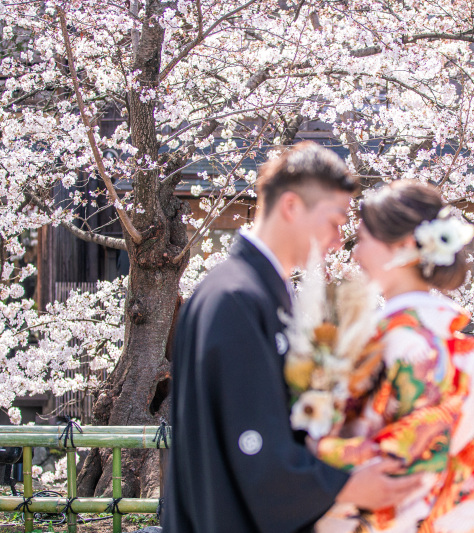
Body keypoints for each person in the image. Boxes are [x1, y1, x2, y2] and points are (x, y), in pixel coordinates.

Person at [163, 142, 423, 533]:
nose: (338, 241)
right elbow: (252, 440)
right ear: (291, 207)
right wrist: (347, 485)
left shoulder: (257, 292)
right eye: (334, 222)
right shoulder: (234, 298)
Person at [313, 181, 474, 533]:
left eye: (363, 240)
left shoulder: (383, 345)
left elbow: (355, 457)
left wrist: (290, 452)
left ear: (402, 246)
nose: (355, 254)